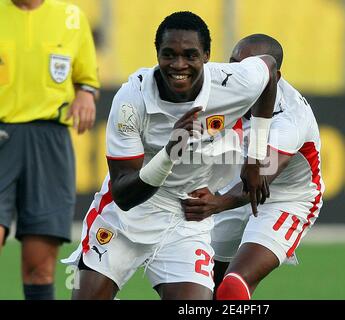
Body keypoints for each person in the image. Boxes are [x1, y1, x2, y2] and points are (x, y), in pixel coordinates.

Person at [62, 11, 278, 300]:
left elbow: (269, 68)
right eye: (169, 55)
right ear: (157, 55)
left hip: (187, 217)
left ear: (207, 56)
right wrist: (170, 152)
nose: (179, 65)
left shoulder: (232, 83)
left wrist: (255, 156)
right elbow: (124, 196)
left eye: (190, 55)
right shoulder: (131, 100)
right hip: (127, 218)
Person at [181, 34, 325, 299]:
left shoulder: (291, 120)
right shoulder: (226, 85)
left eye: (249, 68)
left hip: (285, 199)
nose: (239, 74)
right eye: (234, 63)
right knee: (202, 287)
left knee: (233, 285)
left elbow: (259, 182)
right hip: (233, 189)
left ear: (274, 77)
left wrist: (215, 203)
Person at [0, 0, 99, 300]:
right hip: (2, 133)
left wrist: (86, 94)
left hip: (50, 141)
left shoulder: (71, 17)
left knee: (38, 264)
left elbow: (86, 79)